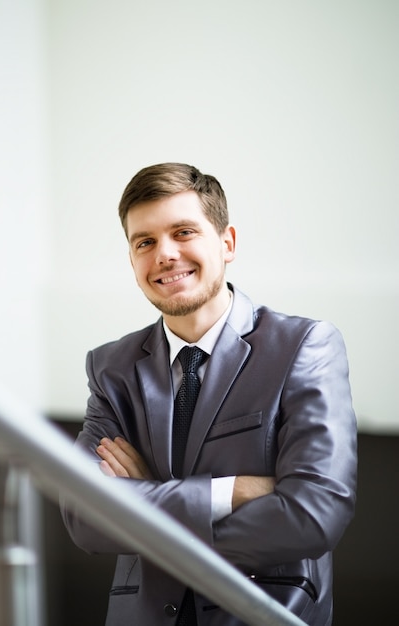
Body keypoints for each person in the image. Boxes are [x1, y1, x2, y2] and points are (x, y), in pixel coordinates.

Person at [61, 162, 357, 626]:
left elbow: (315, 516)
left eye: (183, 232)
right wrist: (232, 492)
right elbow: (84, 518)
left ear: (227, 243)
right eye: (145, 242)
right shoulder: (110, 367)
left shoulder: (305, 346)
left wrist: (146, 497)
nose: (165, 254)